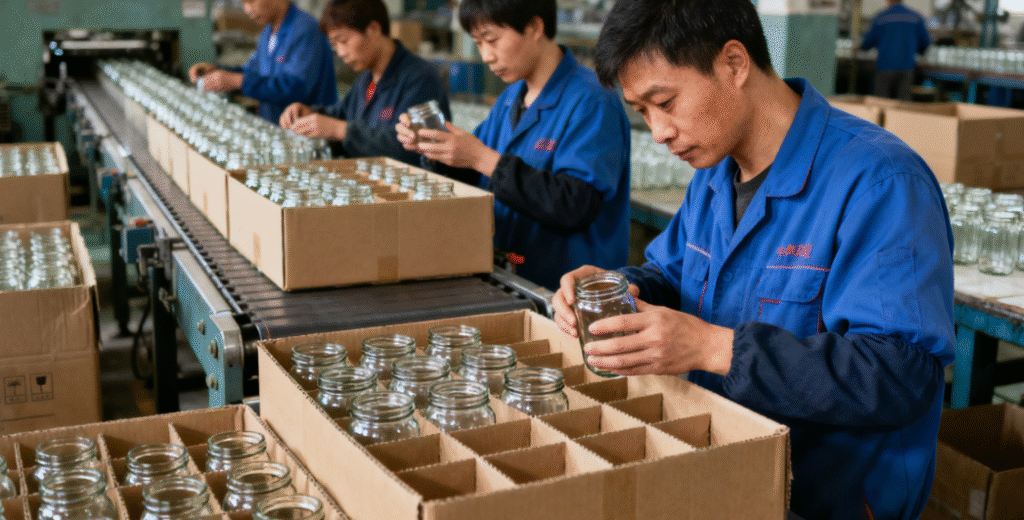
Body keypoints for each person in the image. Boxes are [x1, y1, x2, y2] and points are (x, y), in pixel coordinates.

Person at [552, 1, 954, 519]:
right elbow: (670, 275)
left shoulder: (879, 182)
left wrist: (713, 347)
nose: (658, 131)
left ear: (734, 64)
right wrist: (620, 288)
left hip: (828, 500)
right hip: (725, 477)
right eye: (643, 112)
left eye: (666, 102)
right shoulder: (716, 176)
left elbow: (900, 377)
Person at [394, 0, 631, 291]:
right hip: (514, 278)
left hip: (569, 292)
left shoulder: (591, 100)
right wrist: (435, 147)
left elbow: (575, 205)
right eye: (478, 44)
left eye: (492, 40)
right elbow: (476, 169)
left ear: (534, 27)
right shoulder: (511, 99)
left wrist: (483, 159)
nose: (486, 56)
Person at [278, 0, 450, 164]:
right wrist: (308, 114)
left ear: (374, 29)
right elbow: (339, 115)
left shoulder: (420, 78)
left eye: (343, 41)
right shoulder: (367, 81)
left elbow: (414, 149)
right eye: (334, 45)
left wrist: (341, 131)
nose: (341, 52)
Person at [189, 0, 338, 124]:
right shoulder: (268, 33)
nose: (247, 9)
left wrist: (238, 81)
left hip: (305, 134)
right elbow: (253, 72)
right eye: (243, 3)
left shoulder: (306, 30)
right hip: (275, 128)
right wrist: (217, 72)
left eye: (251, 1)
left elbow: (296, 87)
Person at [860, 0, 931, 100]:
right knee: (902, 106)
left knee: (881, 103)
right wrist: (915, 50)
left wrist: (861, 46)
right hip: (906, 68)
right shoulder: (915, 17)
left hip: (885, 67)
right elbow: (925, 42)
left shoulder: (881, 17)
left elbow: (867, 43)